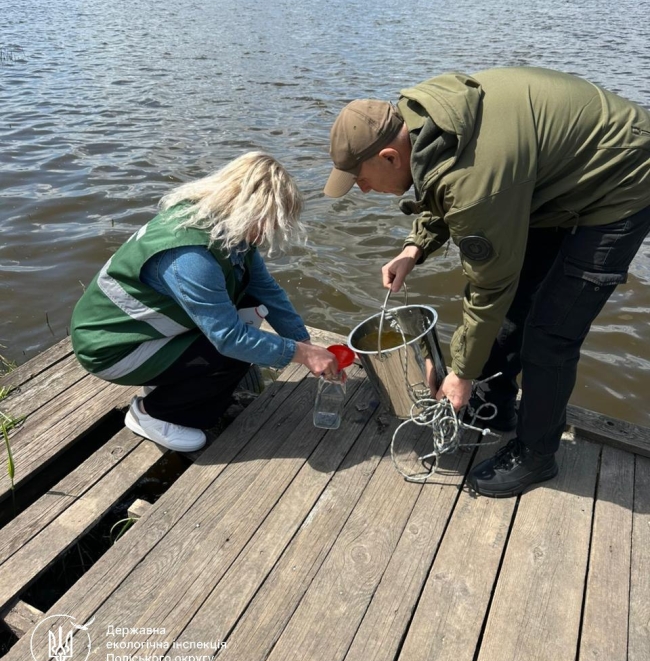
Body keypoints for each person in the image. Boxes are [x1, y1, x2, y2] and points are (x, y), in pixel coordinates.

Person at [323, 67, 650, 497]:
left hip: (621, 180)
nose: (362, 190)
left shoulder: (478, 183)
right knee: (520, 304)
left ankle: (536, 455)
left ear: (389, 156)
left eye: (361, 180)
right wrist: (413, 248)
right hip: (548, 178)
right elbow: (445, 185)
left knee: (550, 334)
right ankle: (495, 406)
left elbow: (489, 283)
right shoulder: (425, 120)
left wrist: (460, 372)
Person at [71, 152, 339, 452]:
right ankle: (152, 414)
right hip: (112, 349)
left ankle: (169, 378)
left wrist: (305, 342)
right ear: (248, 210)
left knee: (249, 307)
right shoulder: (191, 258)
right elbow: (229, 339)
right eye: (267, 223)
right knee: (233, 354)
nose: (267, 234)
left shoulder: (224, 228)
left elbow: (267, 291)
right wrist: (299, 353)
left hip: (142, 332)